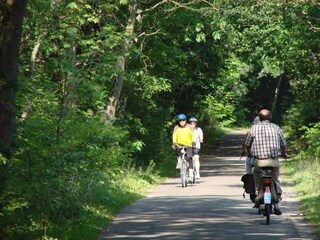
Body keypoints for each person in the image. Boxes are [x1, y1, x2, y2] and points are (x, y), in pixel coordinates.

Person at [245, 109, 287, 215]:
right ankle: (276, 203)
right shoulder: (276, 127)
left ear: (259, 118)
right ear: (270, 117)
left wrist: (249, 152)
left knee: (257, 177)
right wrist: (284, 153)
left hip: (259, 161)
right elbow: (283, 143)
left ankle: (259, 198)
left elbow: (247, 144)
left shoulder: (253, 128)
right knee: (275, 179)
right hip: (273, 161)